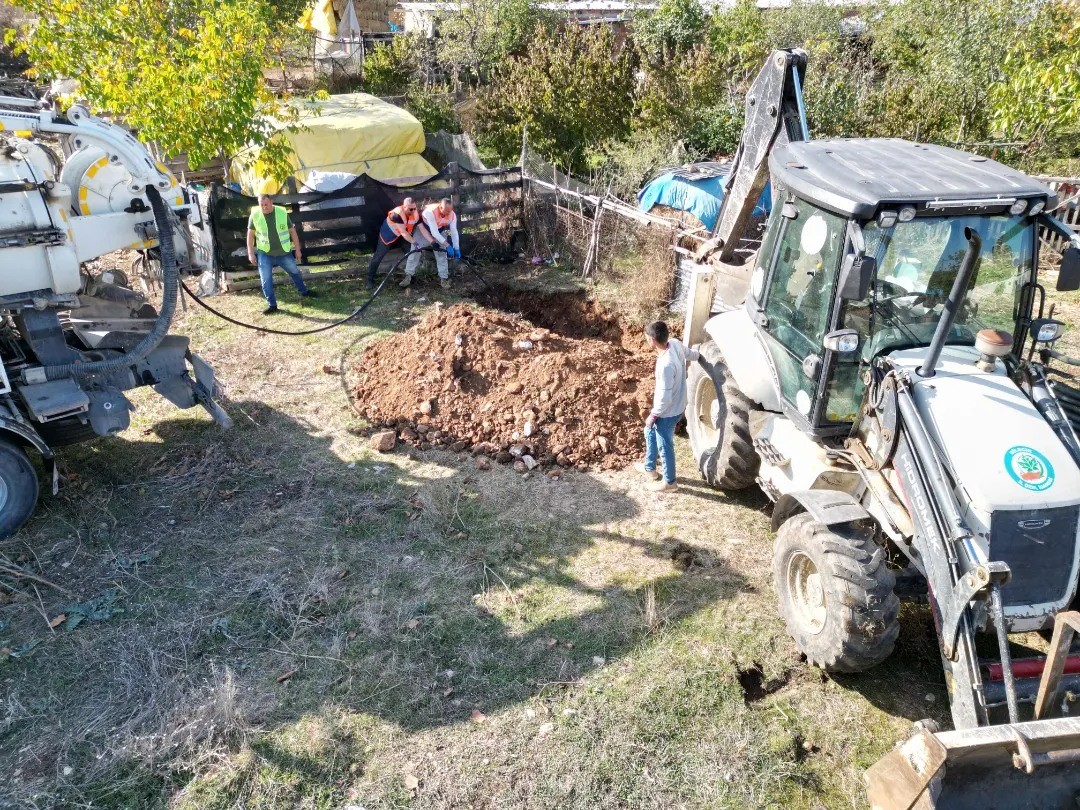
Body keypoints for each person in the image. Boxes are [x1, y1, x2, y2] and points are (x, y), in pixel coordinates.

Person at [634, 320, 698, 492]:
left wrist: (653, 416)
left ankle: (670, 482)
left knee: (665, 444)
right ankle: (650, 469)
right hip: (678, 404)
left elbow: (664, 397)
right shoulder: (675, 344)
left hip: (669, 411)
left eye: (647, 337)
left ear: (653, 340)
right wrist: (700, 354)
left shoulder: (665, 365)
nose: (646, 339)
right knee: (649, 431)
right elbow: (692, 354)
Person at [246, 194, 317, 315]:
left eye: (266, 204)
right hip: (265, 253)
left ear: (271, 202)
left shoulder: (282, 212)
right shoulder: (255, 215)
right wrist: (251, 253)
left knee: (294, 272)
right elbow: (250, 235)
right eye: (261, 205)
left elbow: (292, 231)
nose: (264, 207)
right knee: (266, 280)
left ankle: (304, 291)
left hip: (283, 252)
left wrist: (298, 249)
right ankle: (272, 305)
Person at [400, 197, 460, 291]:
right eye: (446, 211)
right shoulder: (430, 211)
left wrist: (456, 248)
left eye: (450, 211)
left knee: (441, 254)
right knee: (415, 251)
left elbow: (454, 231)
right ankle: (408, 276)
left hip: (439, 231)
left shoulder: (452, 215)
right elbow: (433, 232)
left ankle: (443, 278)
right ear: (440, 207)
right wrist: (447, 245)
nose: (448, 213)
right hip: (424, 230)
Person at [367, 197, 422, 289]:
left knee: (410, 253)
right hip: (389, 234)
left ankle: (410, 276)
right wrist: (415, 243)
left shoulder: (415, 213)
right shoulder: (396, 214)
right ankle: (369, 280)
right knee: (378, 256)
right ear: (404, 207)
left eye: (414, 208)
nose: (413, 211)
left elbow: (419, 228)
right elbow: (403, 232)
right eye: (410, 209)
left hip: (403, 235)